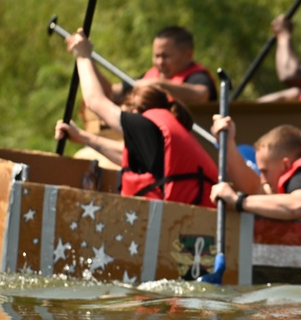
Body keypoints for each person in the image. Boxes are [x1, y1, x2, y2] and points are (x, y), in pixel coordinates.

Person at [56, 29, 218, 207]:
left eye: (126, 109)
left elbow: (95, 101)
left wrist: (83, 57)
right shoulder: (160, 131)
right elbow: (124, 154)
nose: (125, 113)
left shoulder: (149, 124)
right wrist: (83, 137)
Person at [98, 26, 217, 108]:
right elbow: (112, 93)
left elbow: (201, 95)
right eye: (156, 56)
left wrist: (159, 84)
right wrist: (86, 61)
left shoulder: (198, 77)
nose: (160, 62)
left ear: (188, 55)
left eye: (166, 56)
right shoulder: (150, 76)